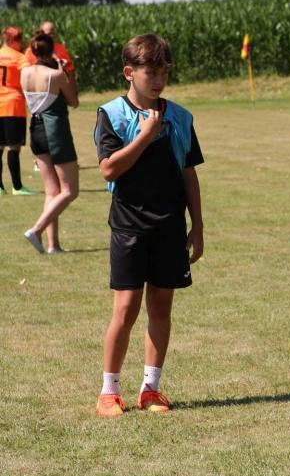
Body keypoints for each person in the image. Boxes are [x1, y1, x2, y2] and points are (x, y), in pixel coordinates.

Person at [93, 34, 205, 418]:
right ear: (130, 72)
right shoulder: (112, 114)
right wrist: (145, 135)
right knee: (125, 307)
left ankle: (151, 389)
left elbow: (188, 172)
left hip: (170, 226)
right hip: (129, 226)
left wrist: (198, 225)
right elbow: (108, 168)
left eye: (164, 72)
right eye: (150, 72)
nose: (158, 80)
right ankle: (109, 391)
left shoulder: (180, 116)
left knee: (161, 306)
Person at [20, 32, 80, 254]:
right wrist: (67, 72)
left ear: (33, 50)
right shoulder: (56, 75)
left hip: (35, 130)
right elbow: (73, 100)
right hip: (55, 132)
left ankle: (53, 245)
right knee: (70, 190)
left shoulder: (24, 72)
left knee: (51, 191)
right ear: (52, 50)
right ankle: (36, 230)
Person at [0, 26, 34, 196]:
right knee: (14, 147)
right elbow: (29, 80)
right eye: (19, 39)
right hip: (13, 104)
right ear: (12, 40)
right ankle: (17, 187)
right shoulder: (20, 58)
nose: (21, 42)